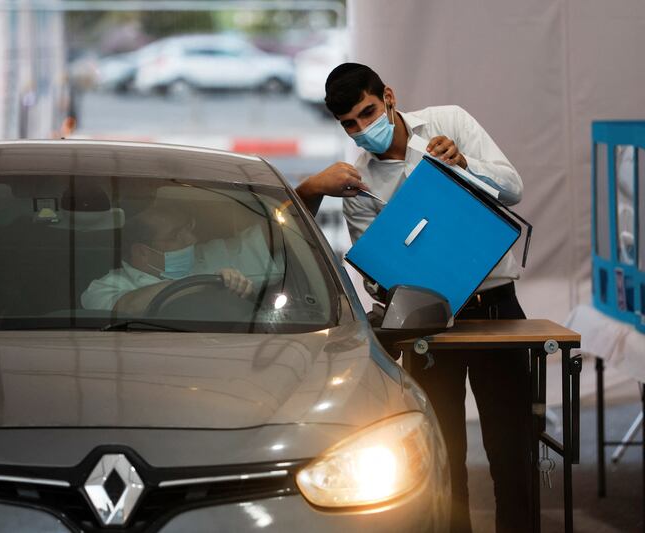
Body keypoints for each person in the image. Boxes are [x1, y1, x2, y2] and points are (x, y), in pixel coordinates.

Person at [295, 63, 530, 533]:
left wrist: (465, 165)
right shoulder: (356, 186)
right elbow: (382, 282)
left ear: (388, 97)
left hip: (495, 309)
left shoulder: (450, 122)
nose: (364, 130)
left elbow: (514, 189)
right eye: (351, 125)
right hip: (427, 325)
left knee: (512, 450)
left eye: (367, 112)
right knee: (442, 454)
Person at [81, 202, 270, 313]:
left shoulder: (209, 255)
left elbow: (272, 236)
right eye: (176, 235)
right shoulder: (105, 288)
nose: (192, 239)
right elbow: (127, 306)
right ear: (142, 252)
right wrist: (206, 283)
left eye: (188, 228)